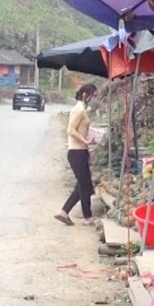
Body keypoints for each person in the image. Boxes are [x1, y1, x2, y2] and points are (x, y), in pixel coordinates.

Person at [55, 83, 99, 226]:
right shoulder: (79, 110)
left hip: (80, 152)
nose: (95, 99)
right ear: (86, 95)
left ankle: (64, 212)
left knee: (82, 185)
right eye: (95, 96)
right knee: (85, 186)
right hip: (76, 152)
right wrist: (85, 141)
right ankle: (87, 217)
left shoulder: (82, 109)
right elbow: (70, 130)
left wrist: (87, 142)